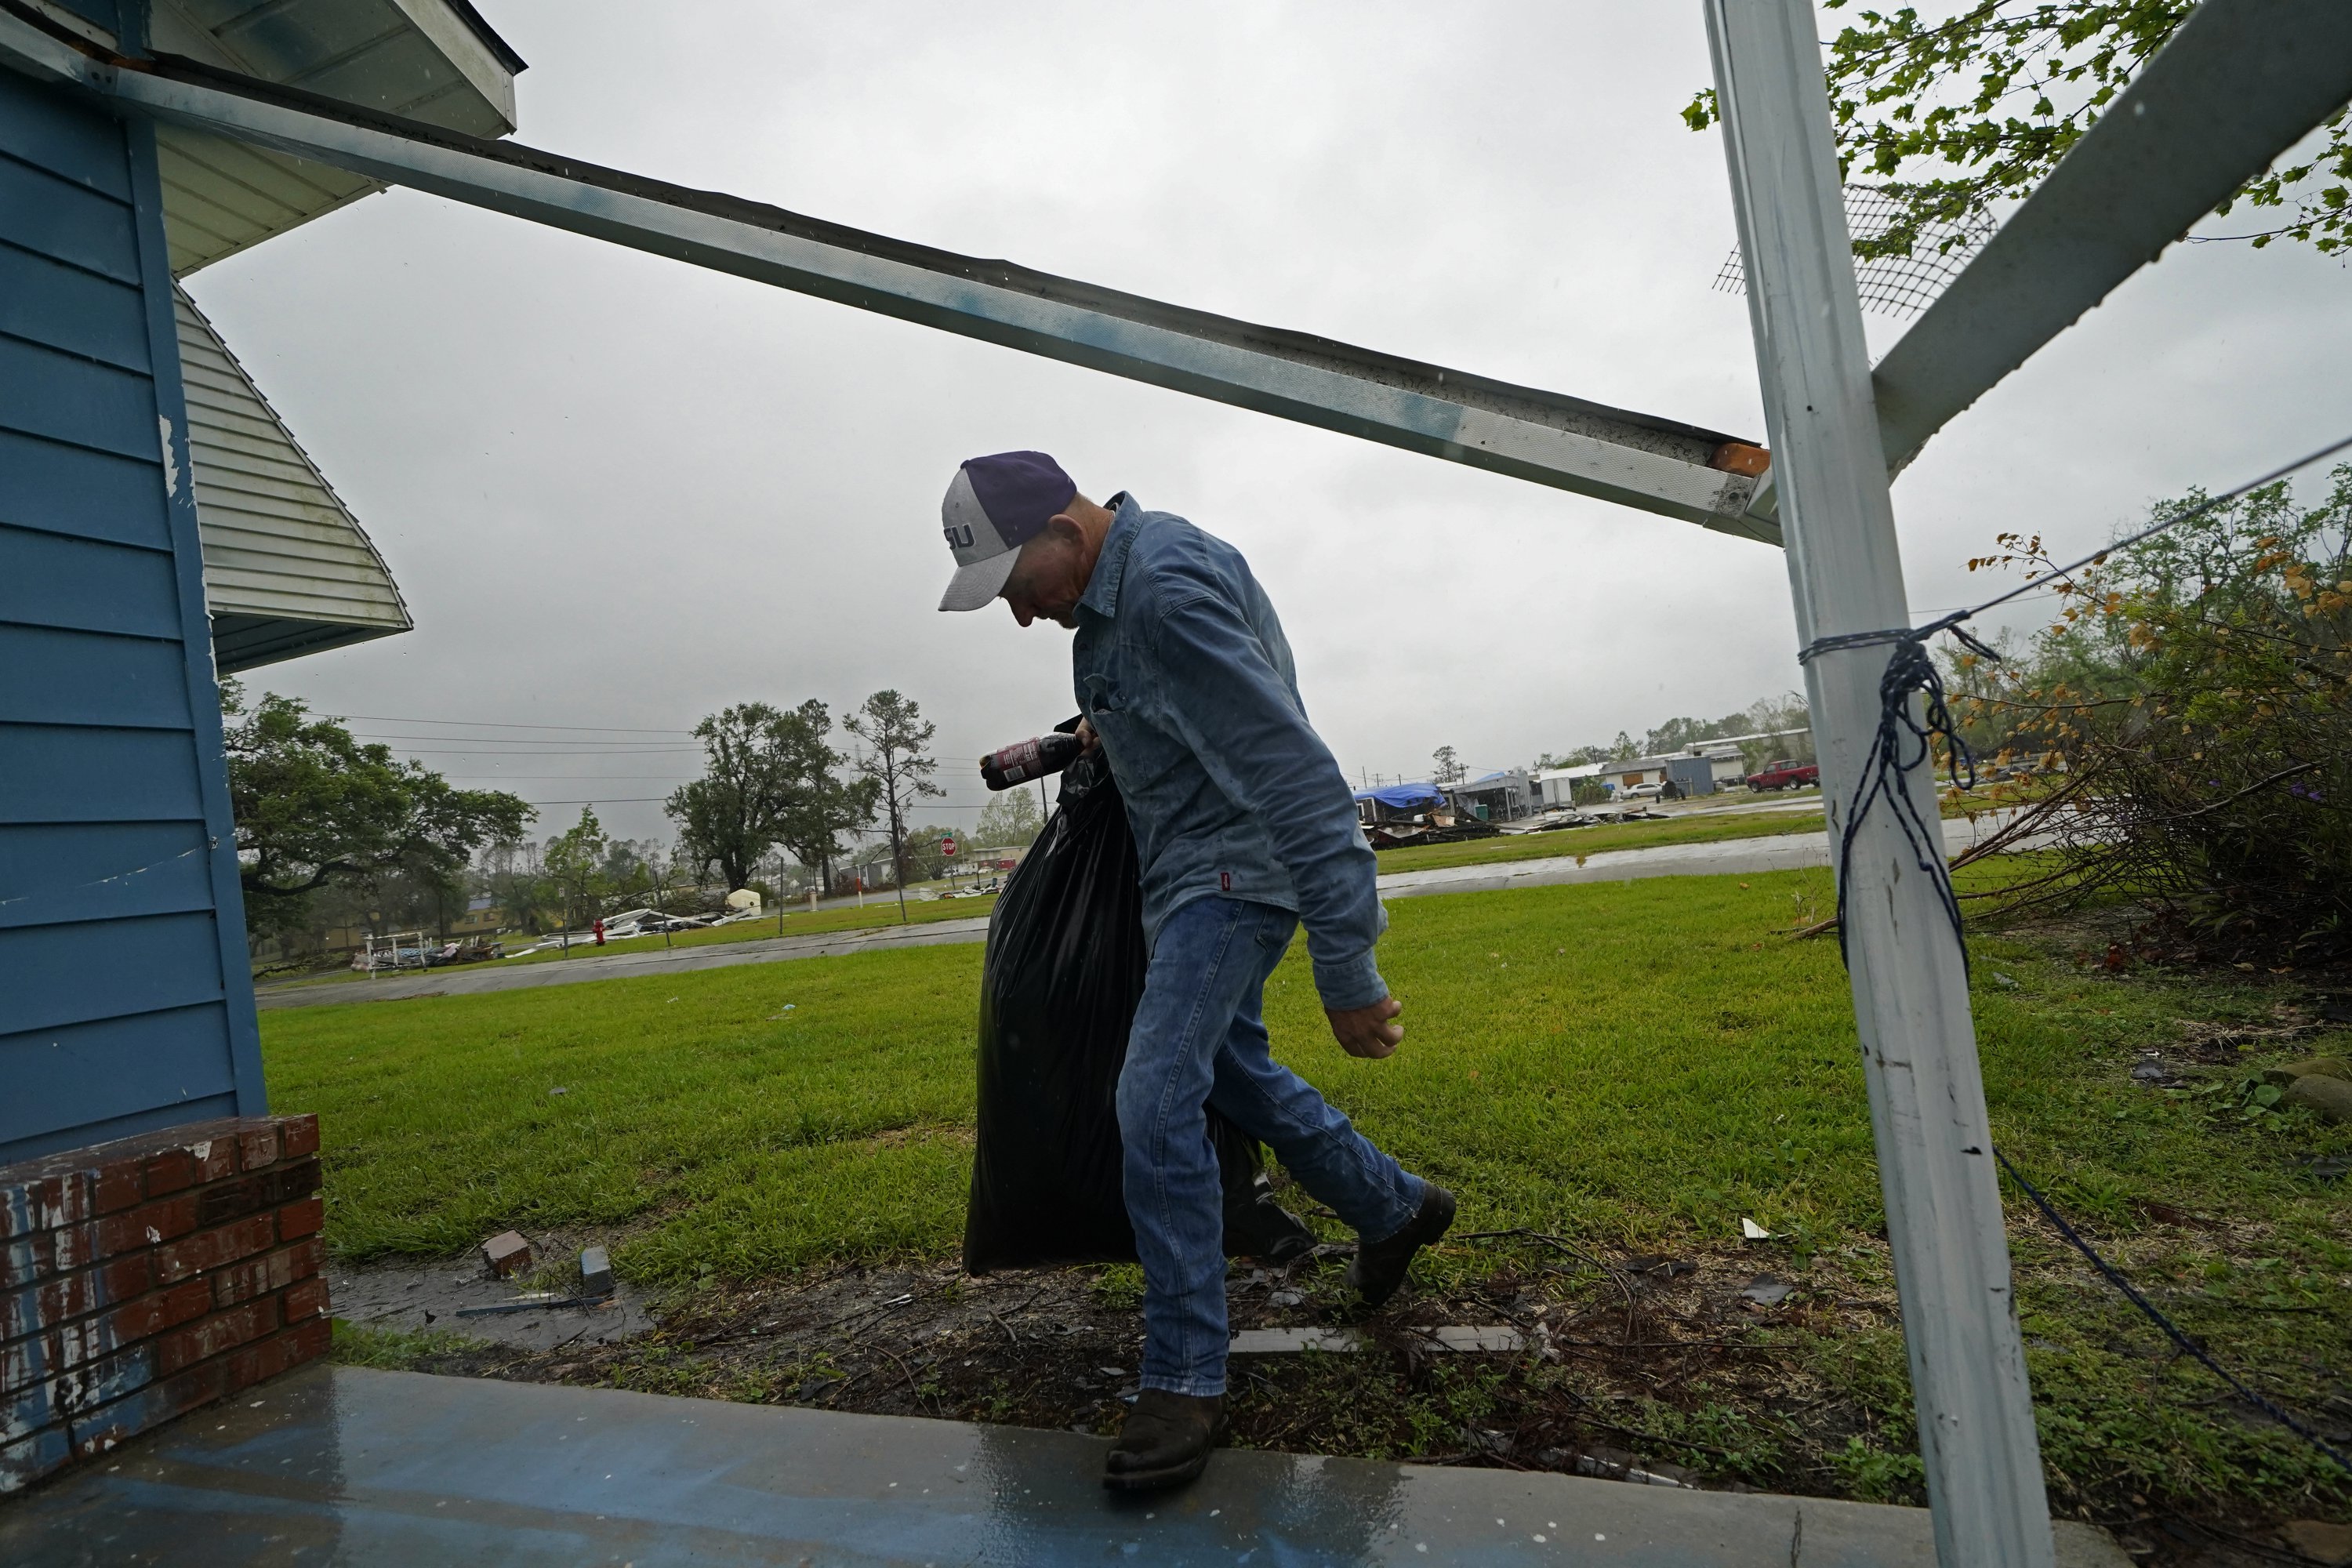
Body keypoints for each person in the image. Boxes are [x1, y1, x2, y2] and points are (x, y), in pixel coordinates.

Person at [937, 450, 1455, 1492]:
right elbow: (1174, 717)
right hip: (1184, 880)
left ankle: (1182, 1376)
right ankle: (1393, 1206)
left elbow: (1296, 773)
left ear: (1064, 534)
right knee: (1224, 1072)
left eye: (1015, 587)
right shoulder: (1125, 597)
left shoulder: (1162, 594)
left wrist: (1347, 963)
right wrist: (1079, 742)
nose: (1021, 617)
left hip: (1229, 879)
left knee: (1155, 1098)